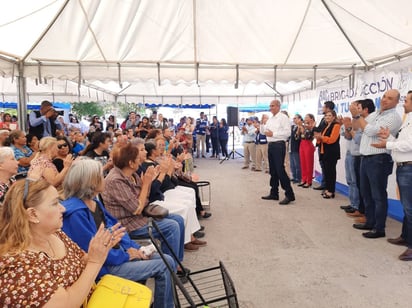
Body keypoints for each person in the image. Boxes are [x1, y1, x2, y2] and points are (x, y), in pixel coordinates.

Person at [61, 158, 175, 307]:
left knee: (165, 258)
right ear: (91, 182)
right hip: (105, 268)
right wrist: (128, 255)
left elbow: (117, 228)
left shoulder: (93, 202)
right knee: (166, 264)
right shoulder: (76, 213)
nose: (104, 179)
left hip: (116, 256)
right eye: (101, 176)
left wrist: (134, 248)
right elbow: (94, 251)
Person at [0, 179, 125, 307]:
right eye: (55, 203)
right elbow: (66, 304)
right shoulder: (17, 266)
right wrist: (95, 262)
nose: (63, 208)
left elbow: (79, 263)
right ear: (32, 214)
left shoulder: (56, 234)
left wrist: (97, 251)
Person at [101, 142, 186, 262]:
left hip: (139, 217)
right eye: (137, 158)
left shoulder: (131, 174)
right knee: (172, 227)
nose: (140, 160)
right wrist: (147, 183)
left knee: (179, 219)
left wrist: (148, 182)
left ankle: (177, 262)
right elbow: (137, 208)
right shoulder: (115, 180)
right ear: (130, 163)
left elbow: (144, 199)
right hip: (128, 224)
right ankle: (170, 265)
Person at [350, 89, 402, 238]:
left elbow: (371, 131)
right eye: (384, 96)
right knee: (366, 193)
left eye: (390, 98)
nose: (385, 100)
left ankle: (379, 228)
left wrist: (359, 116)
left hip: (379, 159)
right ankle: (370, 221)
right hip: (366, 158)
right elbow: (357, 126)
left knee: (378, 195)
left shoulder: (394, 118)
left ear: (396, 102)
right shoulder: (375, 114)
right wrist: (355, 115)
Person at [371, 90, 412, 259]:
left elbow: (409, 145)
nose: (405, 103)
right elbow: (401, 143)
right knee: (407, 207)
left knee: (410, 208)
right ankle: (406, 237)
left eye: (408, 100)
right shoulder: (408, 119)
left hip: (409, 168)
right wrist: (390, 139)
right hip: (403, 167)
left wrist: (388, 143)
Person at [261, 99, 295, 205]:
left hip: (278, 145)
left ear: (278, 106)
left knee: (280, 170)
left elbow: (287, 132)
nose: (271, 108)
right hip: (271, 145)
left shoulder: (283, 118)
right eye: (270, 106)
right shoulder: (270, 119)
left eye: (273, 106)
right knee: (273, 171)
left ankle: (289, 194)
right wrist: (262, 124)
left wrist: (274, 134)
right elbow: (264, 132)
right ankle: (274, 193)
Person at [314, 110, 341, 198]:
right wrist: (318, 138)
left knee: (331, 172)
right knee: (326, 171)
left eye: (330, 115)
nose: (327, 117)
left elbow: (332, 139)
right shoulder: (326, 126)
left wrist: (321, 137)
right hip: (324, 151)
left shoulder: (336, 125)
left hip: (331, 152)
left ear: (334, 117)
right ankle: (327, 188)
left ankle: (331, 191)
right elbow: (322, 138)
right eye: (326, 116)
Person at [313, 101, 335, 190]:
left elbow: (320, 130)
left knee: (328, 168)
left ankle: (327, 186)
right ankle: (325, 184)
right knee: (324, 166)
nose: (322, 108)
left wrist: (314, 128)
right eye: (327, 116)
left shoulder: (333, 123)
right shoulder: (324, 119)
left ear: (328, 108)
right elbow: (319, 129)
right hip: (321, 144)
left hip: (327, 147)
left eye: (324, 107)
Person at [297, 114, 316, 188]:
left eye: (307, 117)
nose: (305, 119)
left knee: (309, 163)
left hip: (308, 144)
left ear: (311, 119)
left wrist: (301, 127)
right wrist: (299, 128)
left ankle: (309, 181)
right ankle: (304, 179)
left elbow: (307, 136)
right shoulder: (304, 126)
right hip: (302, 143)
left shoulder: (313, 126)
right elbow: (297, 136)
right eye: (305, 117)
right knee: (303, 163)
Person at [289, 114, 302, 182]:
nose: (294, 119)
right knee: (292, 164)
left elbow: (297, 137)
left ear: (300, 119)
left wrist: (299, 127)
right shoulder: (293, 126)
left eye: (295, 118)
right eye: (293, 118)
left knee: (297, 164)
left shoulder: (300, 127)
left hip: (296, 147)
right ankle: (294, 176)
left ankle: (298, 177)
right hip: (291, 147)